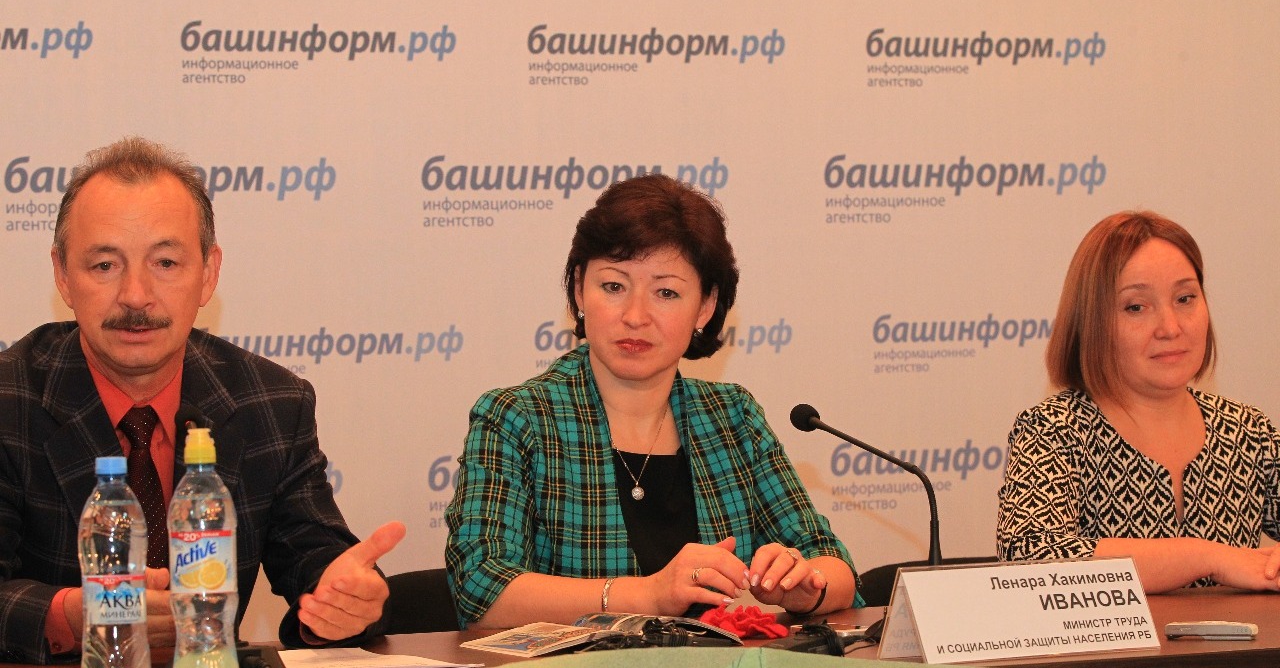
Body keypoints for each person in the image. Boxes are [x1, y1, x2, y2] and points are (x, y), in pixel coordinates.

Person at [0, 136, 405, 664]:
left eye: (166, 263)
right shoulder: (10, 400)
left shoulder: (271, 403)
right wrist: (76, 614)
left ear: (209, 273)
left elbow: (319, 563)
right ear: (62, 275)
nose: (136, 296)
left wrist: (347, 602)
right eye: (104, 266)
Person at [445, 174, 858, 628]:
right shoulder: (518, 419)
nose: (635, 316)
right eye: (614, 286)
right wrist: (650, 595)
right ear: (580, 289)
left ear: (704, 307)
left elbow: (835, 567)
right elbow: (481, 590)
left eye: (666, 292)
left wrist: (804, 586)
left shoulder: (732, 418)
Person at [997, 210, 1280, 593]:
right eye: (1136, 307)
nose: (1170, 327)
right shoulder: (1055, 429)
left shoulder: (1246, 429)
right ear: (1093, 322)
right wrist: (1209, 557)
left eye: (1185, 298)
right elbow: (1030, 554)